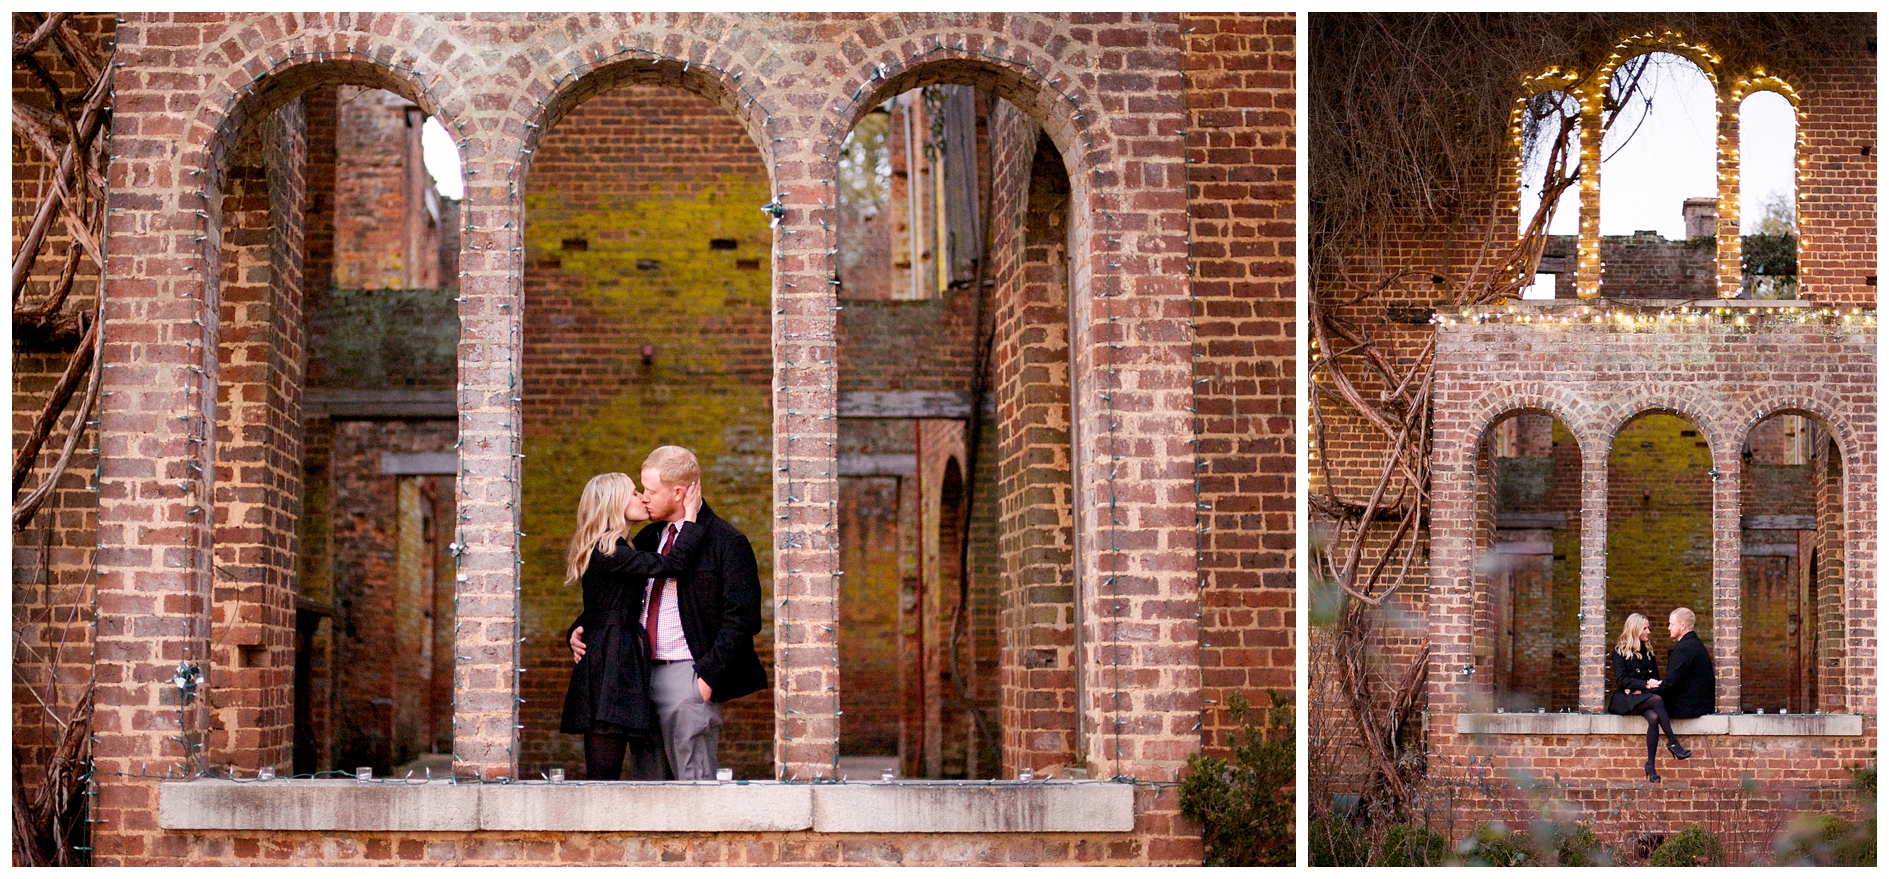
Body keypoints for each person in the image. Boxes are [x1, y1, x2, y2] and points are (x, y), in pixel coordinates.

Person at [570, 446, 767, 780]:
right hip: (638, 674)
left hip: (688, 678)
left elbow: (743, 618)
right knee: (646, 784)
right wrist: (581, 626)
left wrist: (706, 680)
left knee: (694, 788)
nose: (644, 498)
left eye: (650, 490)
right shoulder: (647, 537)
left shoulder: (726, 541)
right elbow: (619, 591)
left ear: (678, 493)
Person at [558, 472, 707, 780]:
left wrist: (577, 627)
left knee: (616, 750)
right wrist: (691, 519)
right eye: (634, 492)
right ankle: (596, 825)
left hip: (619, 652)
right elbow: (672, 565)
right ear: (614, 503)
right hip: (610, 659)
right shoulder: (608, 549)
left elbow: (604, 602)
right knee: (604, 763)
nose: (642, 497)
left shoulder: (622, 548)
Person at [1608, 613, 1690, 783]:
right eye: (1645, 628)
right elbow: (1621, 680)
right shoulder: (1620, 651)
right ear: (1635, 629)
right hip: (1624, 700)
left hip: (1641, 697)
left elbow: (1655, 679)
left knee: (1653, 717)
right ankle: (1673, 742)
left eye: (1648, 627)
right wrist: (1644, 685)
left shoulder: (1648, 652)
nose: (1649, 631)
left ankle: (1650, 766)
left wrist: (1642, 688)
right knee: (1657, 701)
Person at [1652, 606, 1715, 720]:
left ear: (1682, 626)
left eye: (1671, 624)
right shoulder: (1694, 644)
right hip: (1696, 703)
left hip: (1689, 707)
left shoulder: (1685, 648)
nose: (1668, 628)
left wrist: (1646, 690)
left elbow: (1671, 683)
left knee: (1645, 702)